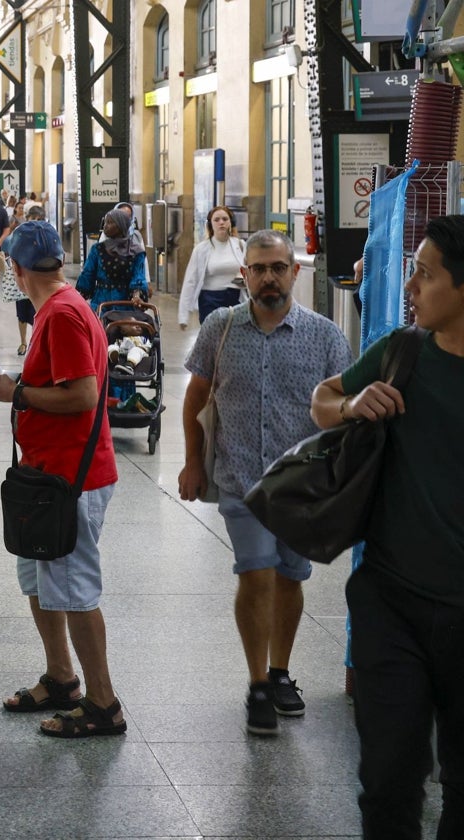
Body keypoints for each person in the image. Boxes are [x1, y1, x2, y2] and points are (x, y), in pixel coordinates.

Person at [309, 215, 464, 838]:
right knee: (390, 779)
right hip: (391, 602)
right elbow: (322, 399)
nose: (409, 288)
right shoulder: (402, 352)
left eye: (424, 276)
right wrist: (350, 404)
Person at [177, 229, 351, 737]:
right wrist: (192, 463)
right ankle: (257, 683)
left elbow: (341, 413)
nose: (269, 277)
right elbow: (195, 399)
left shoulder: (325, 336)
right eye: (260, 269)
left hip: (301, 487)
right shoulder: (220, 328)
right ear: (244, 275)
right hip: (240, 479)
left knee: (291, 578)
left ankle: (280, 672)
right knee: (256, 574)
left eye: (279, 267)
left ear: (295, 272)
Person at [0, 221, 126, 741]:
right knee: (42, 580)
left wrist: (16, 394)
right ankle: (62, 678)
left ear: (17, 271)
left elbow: (82, 396)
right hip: (47, 473)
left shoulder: (63, 315)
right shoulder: (60, 308)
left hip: (73, 477)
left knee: (76, 589)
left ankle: (103, 704)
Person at [178, 205, 247, 328]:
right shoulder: (201, 249)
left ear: (231, 223)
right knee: (214, 341)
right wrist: (183, 316)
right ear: (210, 224)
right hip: (210, 301)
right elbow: (190, 281)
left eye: (225, 219)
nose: (221, 223)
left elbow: (250, 272)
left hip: (236, 300)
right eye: (217, 220)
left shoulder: (240, 245)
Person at [76, 209, 148, 313]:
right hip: (100, 305)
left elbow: (138, 277)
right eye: (105, 222)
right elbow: (88, 274)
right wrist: (80, 296)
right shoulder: (97, 249)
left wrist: (136, 296)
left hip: (126, 306)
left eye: (110, 222)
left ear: (121, 225)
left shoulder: (136, 251)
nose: (105, 226)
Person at [0, 204, 45, 355]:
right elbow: (7, 247)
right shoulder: (20, 233)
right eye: (34, 218)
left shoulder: (46, 235)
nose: (36, 221)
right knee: (22, 314)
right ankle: (23, 342)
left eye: (39, 219)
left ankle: (34, 342)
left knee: (36, 313)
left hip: (38, 281)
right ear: (28, 218)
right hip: (22, 280)